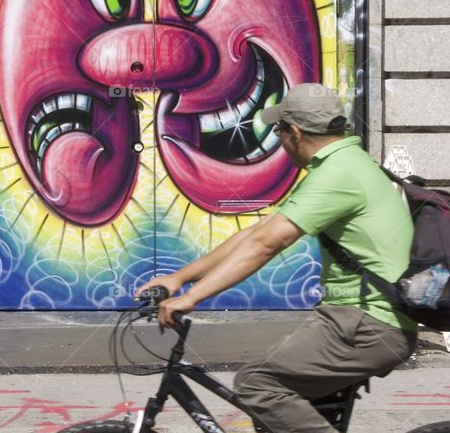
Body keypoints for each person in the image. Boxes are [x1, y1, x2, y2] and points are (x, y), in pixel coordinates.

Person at [136, 82, 418, 433]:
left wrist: (191, 298)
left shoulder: (337, 174)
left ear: (295, 133)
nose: (280, 140)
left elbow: (267, 245)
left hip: (366, 324)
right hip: (360, 320)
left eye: (279, 130)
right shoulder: (344, 163)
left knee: (258, 386)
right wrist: (180, 278)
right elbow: (256, 234)